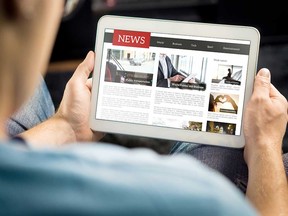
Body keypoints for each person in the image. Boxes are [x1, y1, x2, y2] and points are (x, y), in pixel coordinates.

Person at [0, 1, 287, 216]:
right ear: (21, 4)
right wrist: (265, 144)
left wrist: (67, 126)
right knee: (229, 147)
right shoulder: (197, 197)